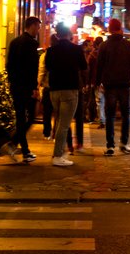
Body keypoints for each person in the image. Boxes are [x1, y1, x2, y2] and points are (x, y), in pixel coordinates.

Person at [44, 23, 87, 167]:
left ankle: (61, 151)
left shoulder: (50, 50)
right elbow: (84, 67)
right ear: (69, 33)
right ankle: (57, 155)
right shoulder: (76, 49)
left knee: (59, 122)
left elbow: (48, 67)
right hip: (70, 89)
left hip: (54, 89)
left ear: (57, 34)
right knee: (64, 124)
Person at [95, 18, 130, 155]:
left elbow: (99, 66)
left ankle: (110, 145)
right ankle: (124, 143)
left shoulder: (104, 46)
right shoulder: (127, 45)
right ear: (120, 28)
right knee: (126, 115)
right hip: (124, 84)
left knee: (110, 115)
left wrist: (97, 83)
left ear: (109, 30)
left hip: (109, 84)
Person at [3, 16, 41, 163]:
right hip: (26, 86)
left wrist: (11, 81)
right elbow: (32, 68)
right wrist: (34, 87)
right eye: (37, 27)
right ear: (31, 26)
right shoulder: (31, 44)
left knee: (20, 117)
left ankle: (22, 149)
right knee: (30, 116)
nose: (38, 30)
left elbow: (9, 65)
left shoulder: (14, 42)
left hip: (16, 85)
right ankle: (15, 145)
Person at [40, 33, 58, 139]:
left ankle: (47, 132)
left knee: (47, 111)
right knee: (58, 111)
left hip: (48, 86)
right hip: (59, 87)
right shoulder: (62, 54)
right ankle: (56, 131)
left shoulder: (46, 54)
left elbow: (42, 70)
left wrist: (38, 84)